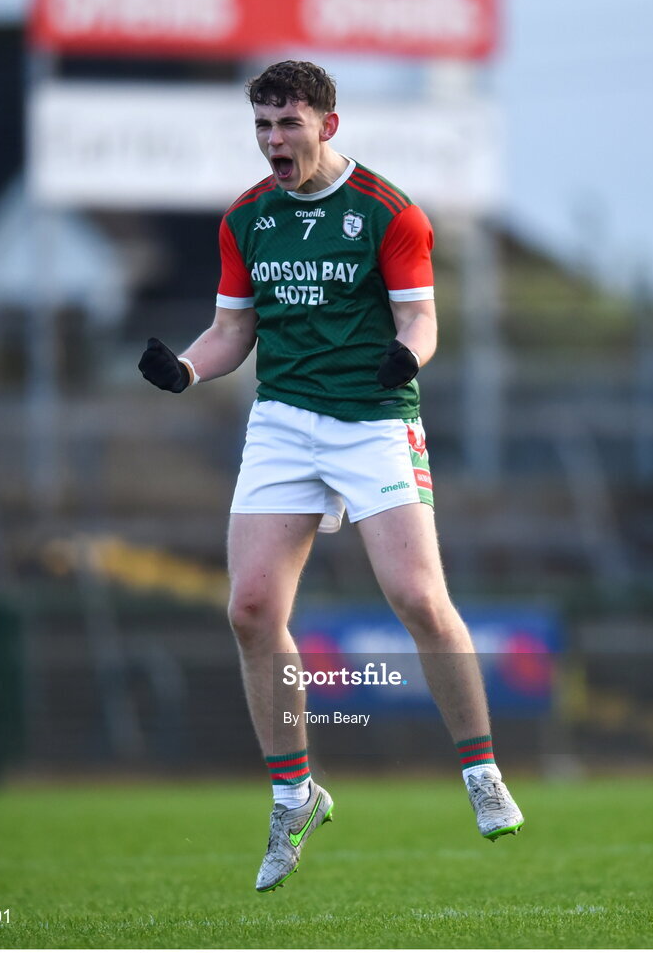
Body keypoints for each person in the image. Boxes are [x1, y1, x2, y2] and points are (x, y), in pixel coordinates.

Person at [138, 60, 523, 893]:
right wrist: (187, 371)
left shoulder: (388, 212)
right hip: (282, 424)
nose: (274, 142)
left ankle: (481, 771)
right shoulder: (246, 218)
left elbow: (421, 319)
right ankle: (293, 795)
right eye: (262, 127)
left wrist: (404, 356)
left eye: (288, 125)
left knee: (418, 598)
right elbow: (230, 332)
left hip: (373, 423)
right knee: (248, 609)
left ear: (327, 126)